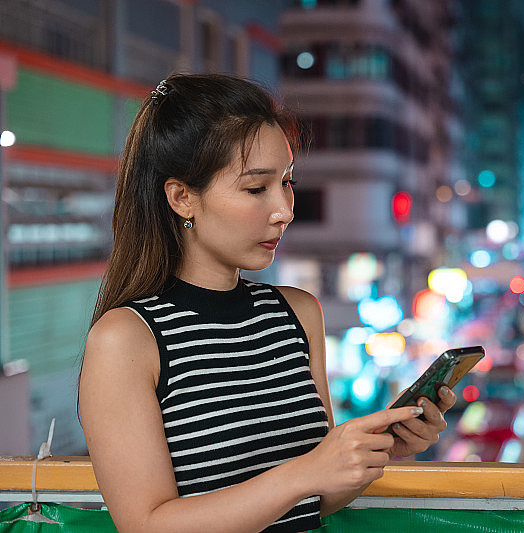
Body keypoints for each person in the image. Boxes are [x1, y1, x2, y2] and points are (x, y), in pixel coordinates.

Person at [78, 73, 456, 533]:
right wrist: (305, 472)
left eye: (287, 182)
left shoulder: (298, 313)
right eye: (256, 188)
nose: (285, 210)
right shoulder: (126, 339)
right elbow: (146, 525)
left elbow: (314, 502)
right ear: (182, 198)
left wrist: (378, 449)